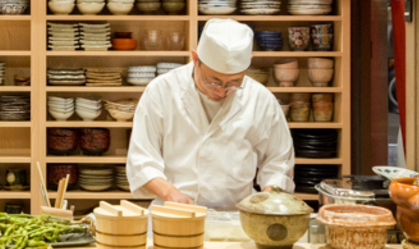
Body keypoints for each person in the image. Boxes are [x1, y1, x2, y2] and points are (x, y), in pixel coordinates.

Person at [126, 18, 294, 210]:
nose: (221, 91)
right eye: (212, 81)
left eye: (234, 83)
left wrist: (268, 200)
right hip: (174, 211)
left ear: (248, 65)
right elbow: (141, 159)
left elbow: (279, 161)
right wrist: (170, 193)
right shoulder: (161, 91)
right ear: (195, 59)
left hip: (239, 214)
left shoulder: (260, 99)